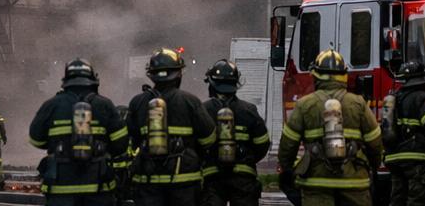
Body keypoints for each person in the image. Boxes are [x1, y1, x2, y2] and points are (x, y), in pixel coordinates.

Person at [277, 50, 383, 206]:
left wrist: (287, 171)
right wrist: (372, 167)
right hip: (354, 184)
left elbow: (287, 146)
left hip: (316, 185)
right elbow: (375, 143)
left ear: (315, 75)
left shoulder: (304, 105)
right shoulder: (358, 103)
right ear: (344, 75)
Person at [29, 59, 130, 206]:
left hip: (60, 189)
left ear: (66, 81)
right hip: (98, 188)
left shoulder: (51, 105)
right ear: (93, 80)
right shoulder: (105, 105)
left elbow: (35, 139)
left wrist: (58, 145)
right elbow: (121, 144)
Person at [127, 48, 217, 206]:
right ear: (179, 74)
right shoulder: (190, 101)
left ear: (151, 74)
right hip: (184, 182)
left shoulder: (138, 102)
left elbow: (129, 140)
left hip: (148, 180)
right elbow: (209, 138)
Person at [200, 61, 270, 206]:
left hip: (212, 179)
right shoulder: (249, 110)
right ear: (236, 84)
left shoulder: (203, 110)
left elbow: (195, 145)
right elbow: (262, 144)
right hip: (243, 179)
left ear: (212, 84)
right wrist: (246, 158)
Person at [384, 62, 425, 206]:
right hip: (416, 159)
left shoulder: (395, 99)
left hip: (394, 159)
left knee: (398, 199)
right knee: (418, 200)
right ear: (421, 79)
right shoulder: (422, 98)